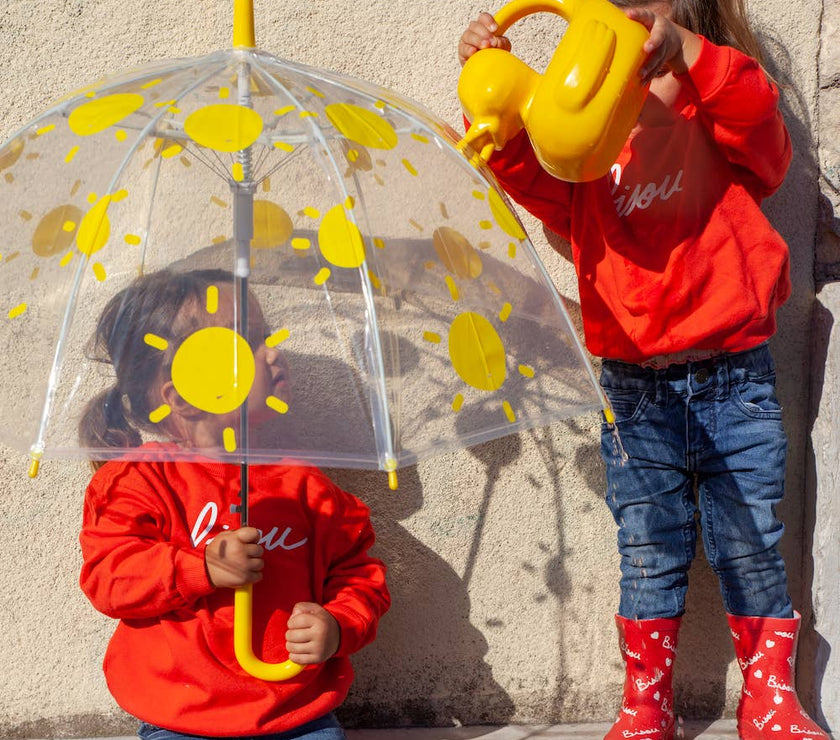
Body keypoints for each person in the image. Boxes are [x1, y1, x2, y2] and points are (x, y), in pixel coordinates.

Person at [459, 3, 829, 740]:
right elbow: (551, 196)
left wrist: (689, 54)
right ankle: (646, 704)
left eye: (648, 21)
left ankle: (769, 700)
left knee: (752, 539)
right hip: (634, 383)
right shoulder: (589, 133)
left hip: (735, 375)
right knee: (649, 545)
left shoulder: (717, 98)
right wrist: (493, 97)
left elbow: (765, 137)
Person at [78, 268, 390, 740]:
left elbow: (358, 575)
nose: (272, 353)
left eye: (264, 336)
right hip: (180, 718)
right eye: (242, 344)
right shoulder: (139, 480)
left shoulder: (304, 484)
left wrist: (340, 624)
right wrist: (198, 567)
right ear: (180, 394)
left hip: (296, 714)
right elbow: (110, 576)